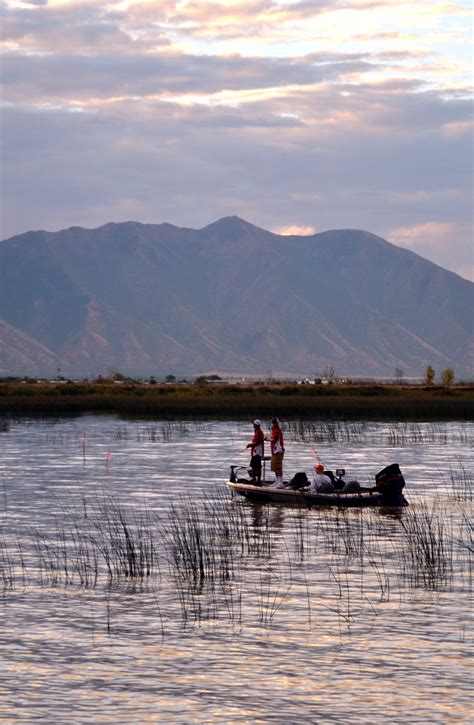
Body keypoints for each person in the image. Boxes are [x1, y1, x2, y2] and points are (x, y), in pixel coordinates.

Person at [246, 419, 264, 484]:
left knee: (257, 467)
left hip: (257, 452)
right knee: (254, 466)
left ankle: (258, 480)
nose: (253, 425)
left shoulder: (259, 432)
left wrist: (250, 445)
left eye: (254, 424)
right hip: (255, 452)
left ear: (256, 425)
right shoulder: (257, 431)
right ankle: (254, 479)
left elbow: (257, 442)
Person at [269, 417, 285, 488]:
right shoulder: (273, 430)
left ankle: (280, 482)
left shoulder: (277, 430)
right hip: (274, 451)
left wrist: (268, 439)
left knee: (278, 467)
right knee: (275, 467)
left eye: (275, 422)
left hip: (278, 450)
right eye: (273, 422)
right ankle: (277, 481)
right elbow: (272, 438)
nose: (274, 424)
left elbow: (274, 439)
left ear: (277, 423)